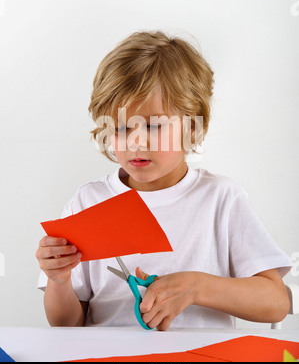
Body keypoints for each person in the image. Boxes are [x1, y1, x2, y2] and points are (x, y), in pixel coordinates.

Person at [36, 31, 292, 330]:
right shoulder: (88, 202)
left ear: (193, 125)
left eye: (154, 126)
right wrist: (58, 280)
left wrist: (197, 286)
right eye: (120, 127)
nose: (136, 141)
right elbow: (65, 325)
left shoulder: (221, 198)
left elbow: (276, 304)